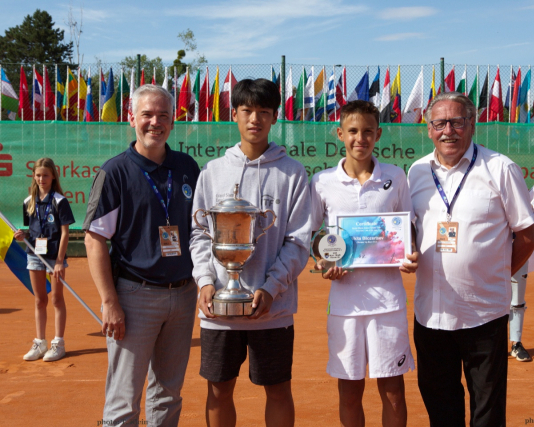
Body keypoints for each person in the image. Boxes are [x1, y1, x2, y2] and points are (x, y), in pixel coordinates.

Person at [407, 92, 534, 427]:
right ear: (428, 128)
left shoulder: (500, 168)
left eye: (457, 121)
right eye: (439, 123)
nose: (448, 130)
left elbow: (527, 236)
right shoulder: (417, 171)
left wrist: (495, 276)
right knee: (441, 407)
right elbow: (410, 229)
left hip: (484, 315)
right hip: (431, 315)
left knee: (487, 412)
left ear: (472, 124)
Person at [190, 78, 311, 427]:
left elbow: (299, 240)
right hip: (218, 308)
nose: (254, 119)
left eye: (263, 112)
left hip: (272, 309)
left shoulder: (291, 173)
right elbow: (199, 233)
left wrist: (271, 288)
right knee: (218, 389)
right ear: (235, 115)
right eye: (247, 111)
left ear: (274, 117)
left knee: (277, 389)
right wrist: (205, 281)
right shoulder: (213, 171)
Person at [84, 84, 200, 427]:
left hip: (183, 295)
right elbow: (94, 240)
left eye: (163, 115)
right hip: (134, 296)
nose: (155, 122)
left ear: (172, 121)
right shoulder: (115, 171)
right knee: (124, 400)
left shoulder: (187, 167)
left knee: (168, 395)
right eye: (147, 114)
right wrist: (109, 301)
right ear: (131, 118)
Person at [310, 100, 419, 427]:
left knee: (393, 391)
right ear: (340, 133)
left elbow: (409, 231)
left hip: (388, 303)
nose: (361, 138)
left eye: (368, 131)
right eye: (353, 131)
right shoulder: (322, 181)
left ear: (379, 134)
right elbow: (311, 235)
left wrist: (411, 256)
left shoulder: (396, 177)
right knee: (350, 392)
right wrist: (321, 263)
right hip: (344, 306)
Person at [15, 158, 74, 362]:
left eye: (46, 175)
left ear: (53, 177)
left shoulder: (59, 201)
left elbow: (65, 233)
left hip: (54, 257)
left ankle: (59, 343)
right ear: (34, 176)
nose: (41, 179)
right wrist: (23, 236)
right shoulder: (27, 202)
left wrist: (59, 260)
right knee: (40, 299)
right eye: (38, 175)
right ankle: (40, 342)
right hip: (34, 255)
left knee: (57, 299)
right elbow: (31, 230)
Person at [509, 261, 532, 362]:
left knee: (517, 299)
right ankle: (493, 345)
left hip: (518, 248)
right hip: (490, 251)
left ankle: (516, 344)